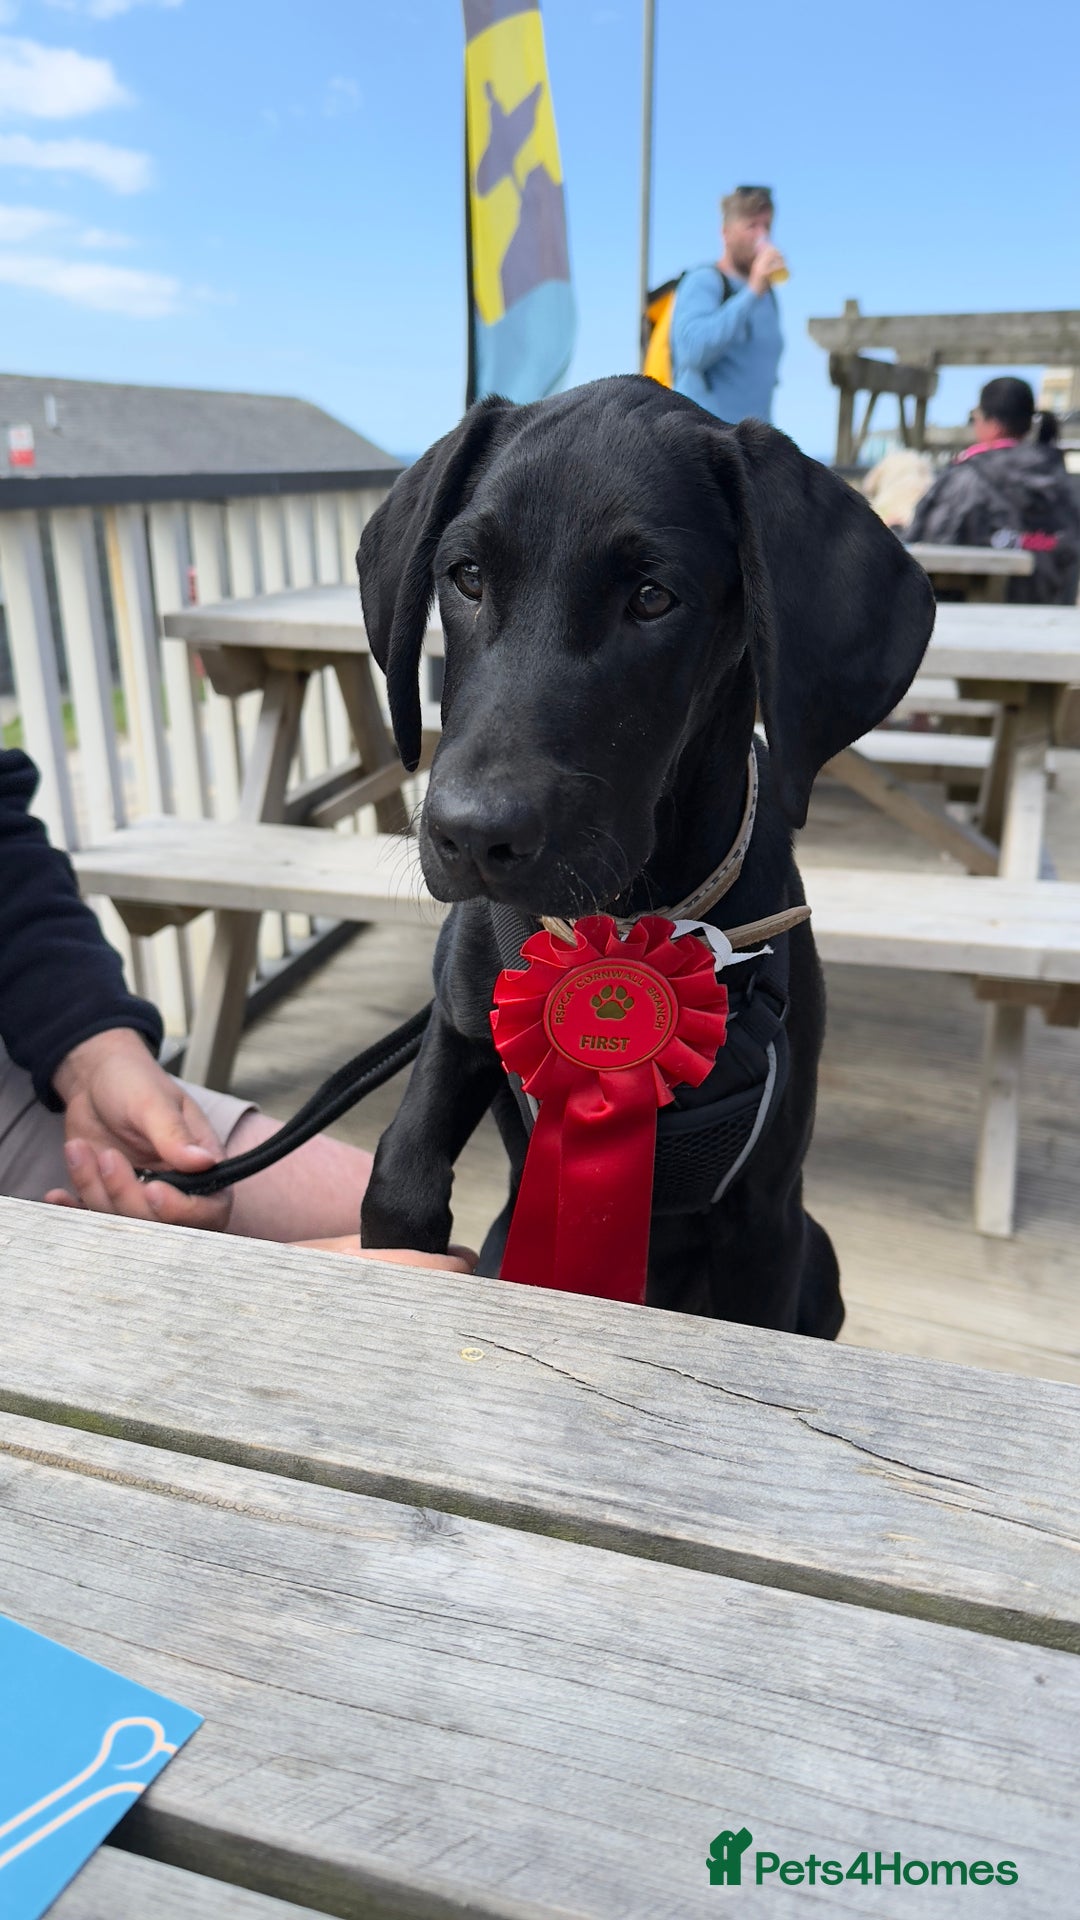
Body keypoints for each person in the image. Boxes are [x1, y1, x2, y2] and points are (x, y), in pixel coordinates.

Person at [0, 746, 470, 1268]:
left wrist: (95, 1058)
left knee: (406, 1230)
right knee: (406, 1279)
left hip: (20, 1082)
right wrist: (262, 1277)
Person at [906, 377, 1080, 604]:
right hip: (1052, 614)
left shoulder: (967, 479)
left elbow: (926, 543)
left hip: (969, 614)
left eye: (975, 417)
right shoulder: (1063, 482)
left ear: (993, 424)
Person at [669, 185, 787, 423]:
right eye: (752, 226)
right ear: (726, 233)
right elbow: (692, 352)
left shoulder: (768, 295)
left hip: (752, 440)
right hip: (703, 436)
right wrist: (751, 293)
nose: (762, 236)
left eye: (766, 226)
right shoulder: (703, 281)